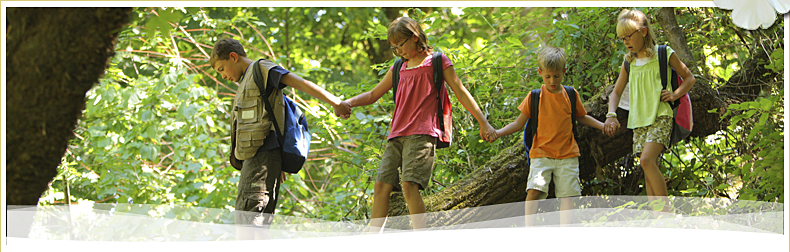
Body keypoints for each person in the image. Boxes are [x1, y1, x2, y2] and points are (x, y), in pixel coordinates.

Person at [337, 16, 497, 231]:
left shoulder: (437, 62)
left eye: (400, 45)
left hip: (422, 132)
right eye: (394, 48)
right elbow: (374, 94)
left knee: (409, 185)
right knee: (381, 186)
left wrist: (484, 123)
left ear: (414, 37)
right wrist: (347, 102)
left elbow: (461, 91)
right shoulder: (398, 68)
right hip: (397, 135)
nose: (398, 51)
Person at [210, 38, 351, 239]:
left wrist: (336, 102)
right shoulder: (246, 83)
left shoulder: (261, 69)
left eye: (222, 69)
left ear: (233, 57)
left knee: (249, 224)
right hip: (257, 162)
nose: (223, 76)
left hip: (261, 161)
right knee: (248, 224)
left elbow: (299, 82)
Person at [491, 46, 605, 226]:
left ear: (564, 72)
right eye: (548, 76)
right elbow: (518, 123)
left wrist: (603, 126)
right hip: (541, 153)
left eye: (557, 76)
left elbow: (582, 117)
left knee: (567, 196)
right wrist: (497, 133)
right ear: (540, 73)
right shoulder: (534, 97)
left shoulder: (570, 94)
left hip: (567, 154)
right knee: (534, 190)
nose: (552, 80)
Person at [603, 9, 695, 212]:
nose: (626, 41)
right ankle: (657, 219)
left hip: (661, 115)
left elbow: (689, 78)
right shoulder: (629, 62)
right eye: (622, 38)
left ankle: (666, 214)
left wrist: (675, 94)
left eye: (629, 36)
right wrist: (611, 114)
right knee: (647, 167)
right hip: (639, 121)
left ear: (643, 32)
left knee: (646, 160)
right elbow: (616, 92)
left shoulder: (664, 53)